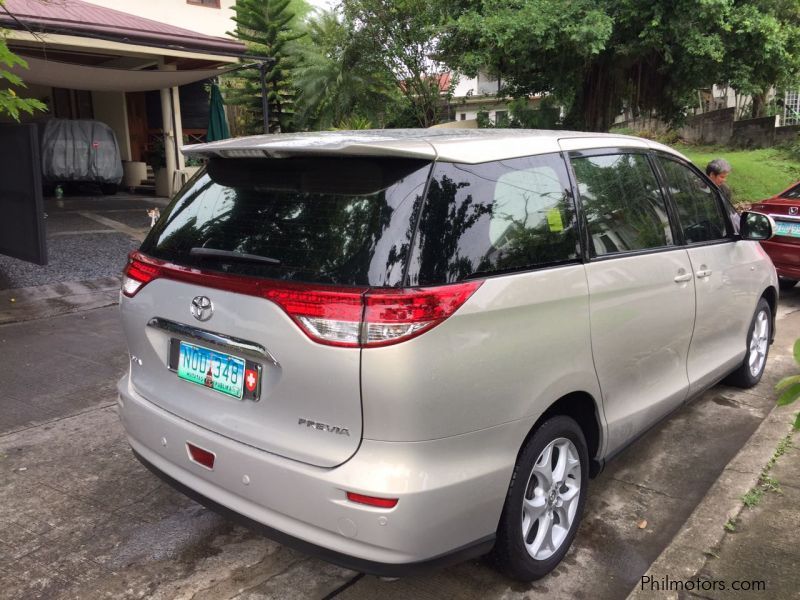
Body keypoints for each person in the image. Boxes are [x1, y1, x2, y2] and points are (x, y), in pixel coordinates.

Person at [706, 158, 739, 233]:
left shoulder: (725, 190)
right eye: (722, 177)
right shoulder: (694, 187)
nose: (725, 180)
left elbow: (728, 210)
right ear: (712, 175)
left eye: (725, 177)